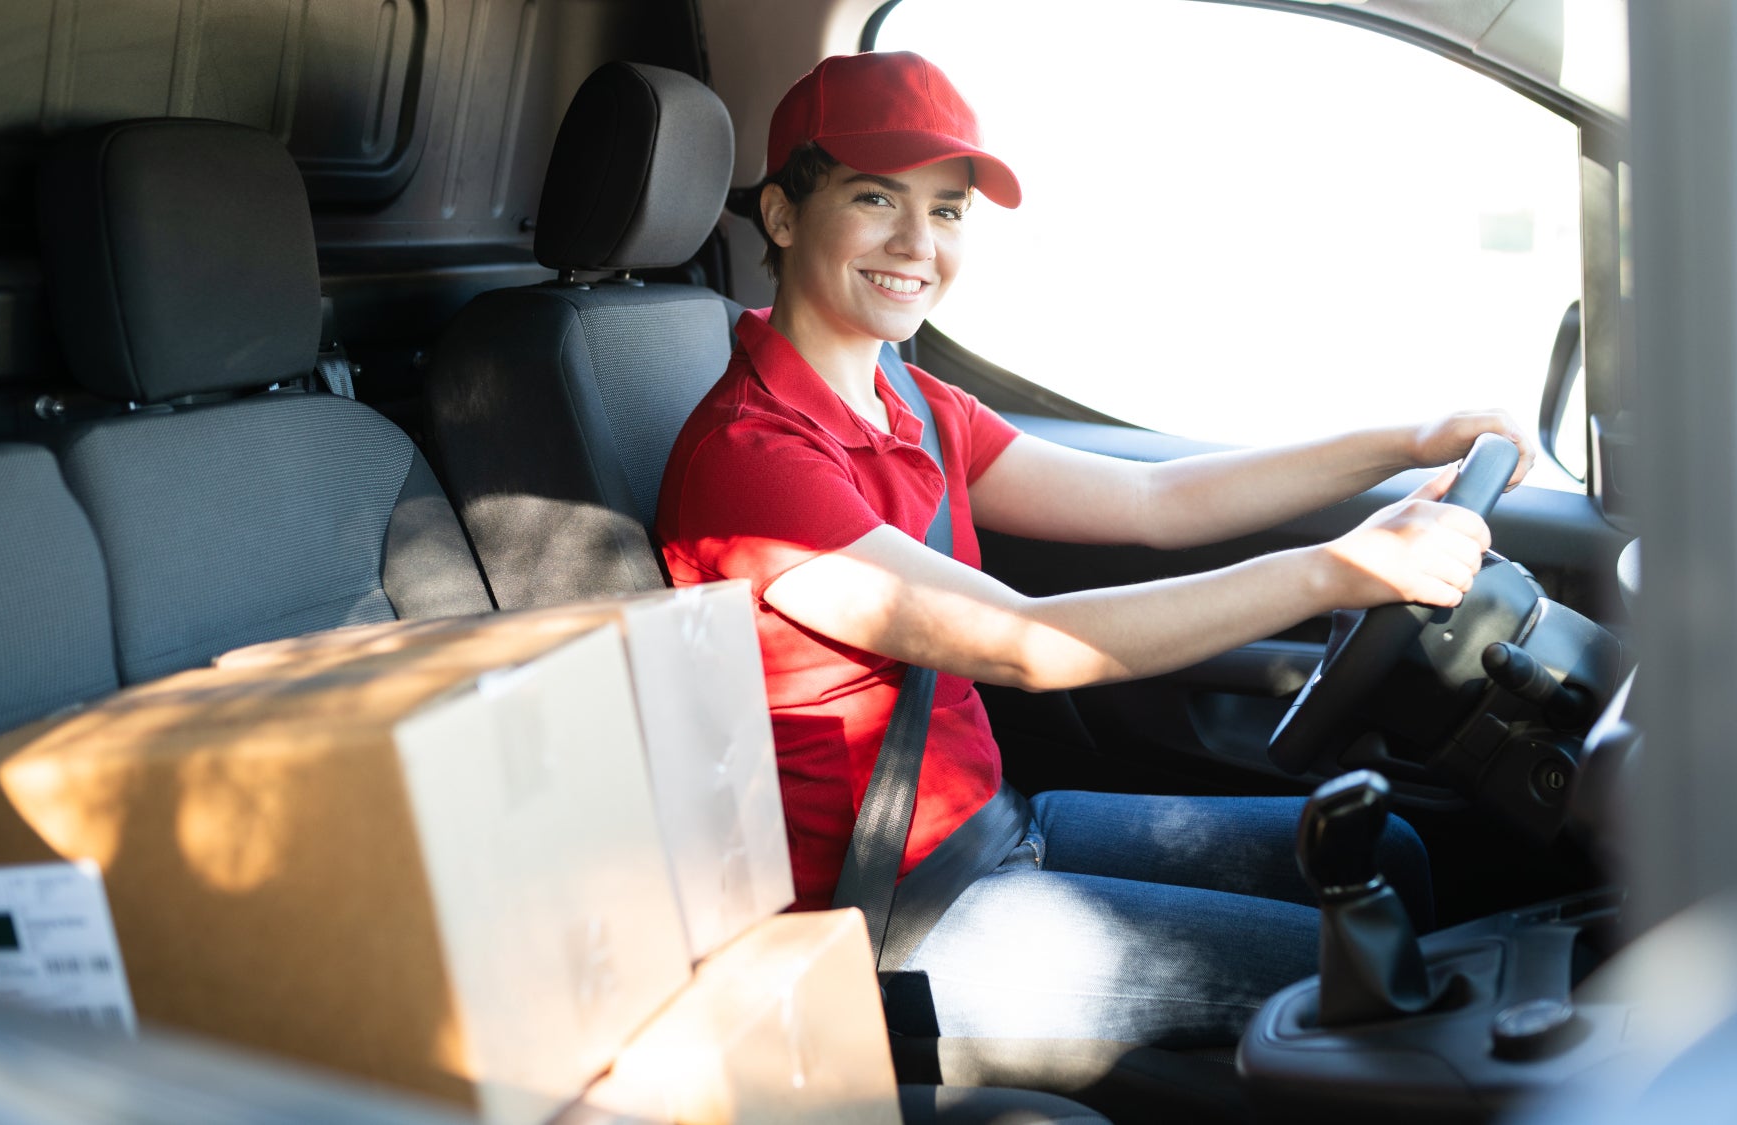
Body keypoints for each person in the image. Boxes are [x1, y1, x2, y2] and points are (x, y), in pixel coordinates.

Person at [655, 51, 1533, 1047]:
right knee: (1349, 984)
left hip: (991, 827)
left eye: (946, 212)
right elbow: (1020, 641)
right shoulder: (752, 458)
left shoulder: (905, 395)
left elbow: (1153, 498)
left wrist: (1404, 443)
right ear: (780, 215)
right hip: (888, 915)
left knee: (1398, 859)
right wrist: (1338, 569)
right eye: (873, 198)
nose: (916, 241)